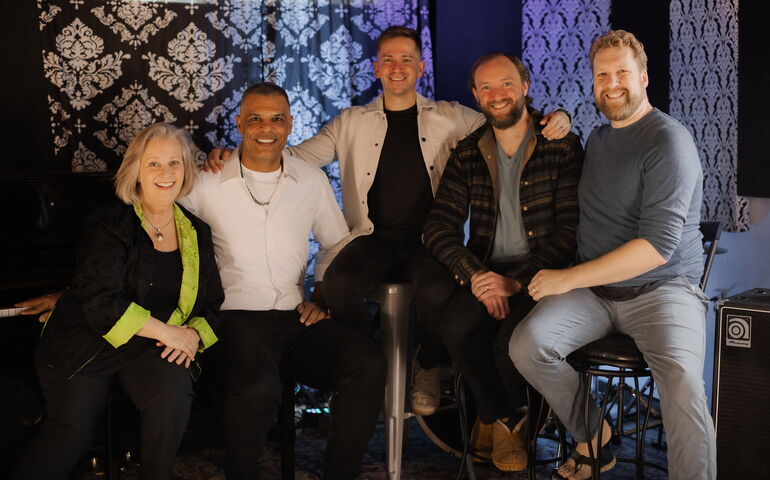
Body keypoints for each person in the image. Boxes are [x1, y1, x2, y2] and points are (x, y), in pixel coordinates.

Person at [204, 25, 573, 417]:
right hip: (372, 238)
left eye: (407, 59)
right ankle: (365, 367)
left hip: (431, 241)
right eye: (389, 59)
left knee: (436, 293)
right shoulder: (350, 121)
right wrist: (237, 153)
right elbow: (294, 156)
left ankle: (428, 364)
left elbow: (506, 117)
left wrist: (556, 118)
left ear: (421, 67)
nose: (398, 67)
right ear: (376, 67)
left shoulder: (451, 116)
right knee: (341, 282)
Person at [510, 30, 715, 480]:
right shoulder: (599, 140)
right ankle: (594, 437)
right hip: (597, 294)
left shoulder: (668, 141)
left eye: (623, 71)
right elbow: (550, 130)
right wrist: (560, 118)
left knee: (682, 384)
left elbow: (657, 248)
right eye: (603, 74)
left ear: (643, 77)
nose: (612, 82)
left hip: (662, 291)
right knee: (528, 345)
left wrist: (566, 278)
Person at [179, 82, 386, 480]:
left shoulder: (310, 180)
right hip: (231, 318)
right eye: (255, 118)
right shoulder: (207, 180)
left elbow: (336, 245)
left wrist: (322, 296)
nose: (266, 127)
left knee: (367, 363)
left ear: (290, 124)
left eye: (276, 119)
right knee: (259, 385)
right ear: (239, 123)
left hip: (293, 319)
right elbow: (165, 232)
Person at [11, 122, 224, 480]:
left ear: (187, 169)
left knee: (174, 391)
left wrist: (193, 335)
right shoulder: (109, 222)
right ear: (136, 170)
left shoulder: (196, 231)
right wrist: (170, 333)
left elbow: (213, 303)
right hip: (87, 342)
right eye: (154, 163)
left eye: (175, 162)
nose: (166, 173)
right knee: (71, 435)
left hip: (147, 345)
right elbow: (100, 301)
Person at [422, 52, 583, 472]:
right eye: (487, 87)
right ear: (475, 95)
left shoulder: (560, 144)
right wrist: (478, 276)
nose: (497, 94)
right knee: (454, 327)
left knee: (505, 342)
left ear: (525, 87)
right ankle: (502, 418)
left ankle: (500, 419)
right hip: (487, 270)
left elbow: (570, 233)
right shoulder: (468, 153)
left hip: (545, 277)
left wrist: (515, 282)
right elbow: (438, 227)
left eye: (506, 84)